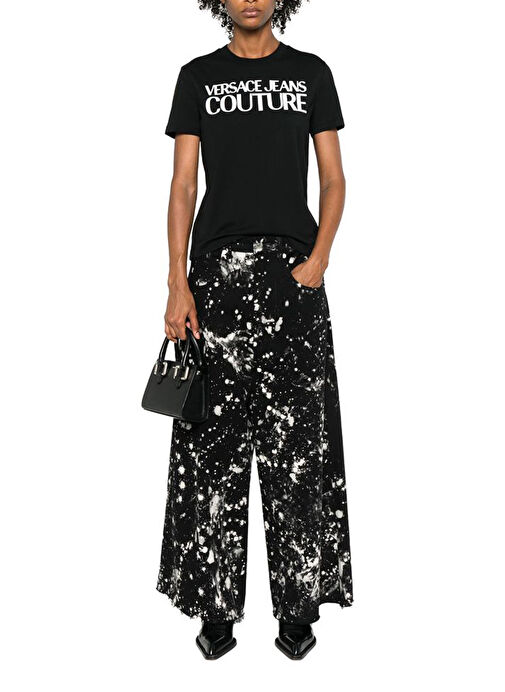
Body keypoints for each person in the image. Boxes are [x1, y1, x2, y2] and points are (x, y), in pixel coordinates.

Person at [156, 0, 353, 660]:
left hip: (292, 278)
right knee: (211, 446)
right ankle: (214, 607)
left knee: (298, 446)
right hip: (214, 280)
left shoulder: (311, 73)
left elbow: (334, 179)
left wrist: (317, 261)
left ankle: (298, 605)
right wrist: (178, 281)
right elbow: (183, 186)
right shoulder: (197, 77)